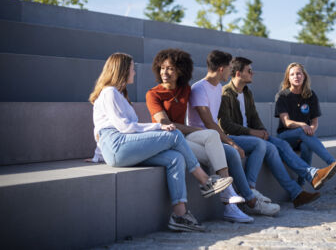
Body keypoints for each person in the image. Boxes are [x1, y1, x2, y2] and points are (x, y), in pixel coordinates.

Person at [89, 52, 233, 232]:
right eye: (133, 68)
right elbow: (124, 127)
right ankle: (205, 180)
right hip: (118, 144)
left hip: (121, 146)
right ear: (123, 70)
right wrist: (158, 127)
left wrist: (97, 156)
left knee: (175, 158)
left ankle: (179, 215)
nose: (134, 72)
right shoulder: (109, 92)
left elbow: (106, 127)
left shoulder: (119, 94)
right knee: (174, 134)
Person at [146, 48, 253, 223]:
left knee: (213, 142)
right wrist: (197, 130)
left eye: (170, 68)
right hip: (168, 141)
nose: (165, 72)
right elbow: (165, 125)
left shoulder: (185, 90)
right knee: (213, 142)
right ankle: (229, 199)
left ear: (180, 70)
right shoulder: (153, 94)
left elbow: (206, 88)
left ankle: (229, 200)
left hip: (185, 138)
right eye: (162, 68)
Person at [218, 57, 336, 207]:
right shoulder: (225, 94)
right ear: (238, 74)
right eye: (249, 71)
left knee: (279, 144)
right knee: (267, 146)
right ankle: (254, 188)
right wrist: (253, 132)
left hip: (250, 134)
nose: (252, 73)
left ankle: (299, 190)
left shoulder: (247, 93)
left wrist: (262, 131)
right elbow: (225, 126)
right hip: (234, 137)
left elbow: (254, 117)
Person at [187, 50, 281, 217]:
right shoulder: (199, 88)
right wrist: (232, 143)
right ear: (222, 69)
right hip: (199, 137)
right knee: (232, 152)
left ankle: (248, 192)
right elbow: (209, 123)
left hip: (214, 136)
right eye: (230, 67)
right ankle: (250, 200)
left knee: (258, 144)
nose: (231, 71)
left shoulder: (217, 88)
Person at [275, 63, 336, 185]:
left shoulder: (310, 95)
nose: (296, 76)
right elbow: (286, 122)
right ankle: (335, 165)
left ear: (304, 76)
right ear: (288, 78)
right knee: (301, 131)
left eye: (299, 73)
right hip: (286, 137)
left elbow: (315, 122)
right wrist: (303, 126)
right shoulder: (282, 96)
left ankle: (301, 184)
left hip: (304, 136)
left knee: (307, 146)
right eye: (292, 74)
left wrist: (311, 129)